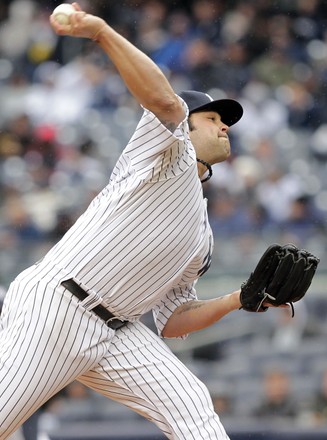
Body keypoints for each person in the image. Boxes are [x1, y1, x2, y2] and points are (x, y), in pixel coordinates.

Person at [0, 3, 281, 439]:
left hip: (118, 332)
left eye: (226, 122)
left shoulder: (202, 235)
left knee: (193, 408)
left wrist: (238, 299)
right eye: (213, 119)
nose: (224, 127)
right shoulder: (168, 154)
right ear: (186, 128)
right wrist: (101, 32)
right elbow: (164, 102)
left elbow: (172, 319)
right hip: (59, 306)